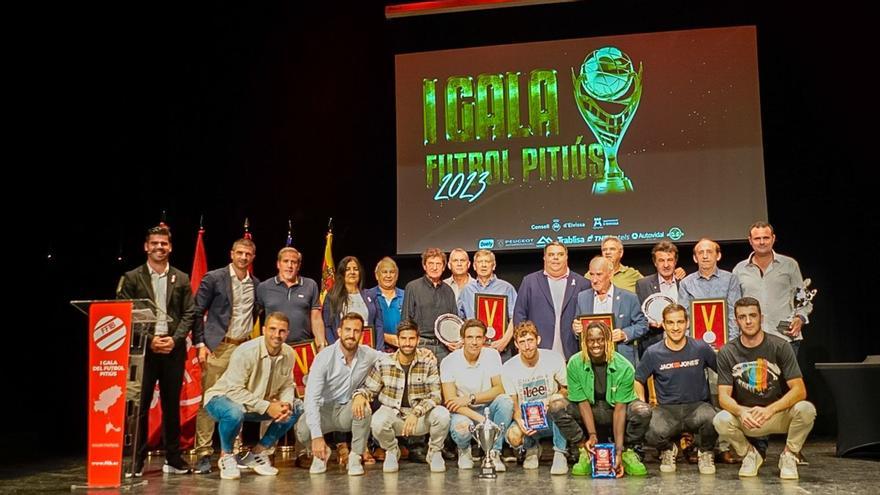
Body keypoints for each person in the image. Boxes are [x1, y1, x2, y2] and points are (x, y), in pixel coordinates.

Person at [116, 225, 196, 476]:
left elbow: (189, 313)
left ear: (170, 247)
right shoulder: (132, 277)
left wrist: (175, 339)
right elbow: (125, 313)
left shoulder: (181, 278)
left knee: (172, 405)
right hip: (144, 351)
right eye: (155, 243)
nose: (159, 247)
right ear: (146, 246)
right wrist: (149, 339)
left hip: (173, 349)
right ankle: (136, 461)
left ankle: (173, 458)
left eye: (164, 243)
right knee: (140, 406)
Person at [713, 297, 816, 479]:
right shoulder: (727, 351)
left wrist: (770, 410)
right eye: (742, 317)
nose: (748, 321)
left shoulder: (780, 346)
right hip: (747, 417)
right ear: (736, 321)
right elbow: (723, 397)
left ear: (761, 317)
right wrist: (741, 411)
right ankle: (750, 455)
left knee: (806, 409)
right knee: (721, 419)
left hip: (776, 414)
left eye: (752, 315)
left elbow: (799, 390)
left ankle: (790, 455)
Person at [202, 312, 301, 479]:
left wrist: (286, 405)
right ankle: (226, 456)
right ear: (263, 330)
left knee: (297, 407)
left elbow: (287, 384)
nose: (277, 335)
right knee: (234, 412)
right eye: (272, 329)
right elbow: (234, 390)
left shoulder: (289, 353)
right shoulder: (246, 351)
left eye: (282, 331)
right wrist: (267, 406)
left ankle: (257, 454)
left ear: (288, 333)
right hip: (221, 399)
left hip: (254, 403)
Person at [191, 238, 259, 474]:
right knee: (210, 401)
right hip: (218, 347)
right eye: (239, 253)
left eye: (248, 254)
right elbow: (197, 311)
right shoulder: (214, 278)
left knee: (238, 401)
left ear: (253, 257)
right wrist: (200, 343)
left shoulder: (255, 284)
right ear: (232, 254)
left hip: (243, 349)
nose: (243, 257)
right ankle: (203, 453)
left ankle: (231, 452)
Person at [353, 320, 451, 473]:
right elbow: (369, 389)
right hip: (394, 415)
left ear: (418, 340)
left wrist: (416, 412)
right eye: (404, 339)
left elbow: (436, 396)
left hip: (420, 417)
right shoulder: (384, 362)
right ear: (397, 340)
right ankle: (392, 450)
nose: (407, 343)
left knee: (443, 415)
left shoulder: (428, 362)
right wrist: (360, 395)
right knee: (377, 421)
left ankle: (434, 452)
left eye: (411, 339)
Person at [293, 313, 383, 476]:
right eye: (347, 330)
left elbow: (390, 359)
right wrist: (317, 437)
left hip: (346, 411)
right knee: (302, 431)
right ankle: (321, 454)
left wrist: (422, 353)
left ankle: (355, 456)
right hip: (323, 410)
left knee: (364, 409)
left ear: (361, 335)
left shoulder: (367, 354)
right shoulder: (324, 358)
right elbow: (311, 399)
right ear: (339, 331)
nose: (351, 335)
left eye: (356, 331)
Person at [634, 304, 717, 474]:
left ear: (687, 323)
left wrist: (725, 399)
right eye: (670, 323)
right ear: (663, 325)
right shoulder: (653, 352)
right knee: (647, 427)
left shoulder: (701, 348)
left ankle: (705, 452)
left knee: (714, 418)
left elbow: (723, 372)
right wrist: (642, 403)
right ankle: (668, 449)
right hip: (667, 410)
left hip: (697, 407)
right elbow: (638, 380)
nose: (676, 327)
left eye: (680, 322)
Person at [565, 321, 651, 477]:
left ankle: (627, 452)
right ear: (585, 342)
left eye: (600, 339)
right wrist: (592, 435)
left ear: (608, 341)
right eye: (591, 340)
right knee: (557, 406)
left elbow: (620, 409)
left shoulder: (624, 366)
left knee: (643, 410)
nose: (596, 344)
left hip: (614, 410)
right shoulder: (574, 363)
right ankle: (585, 450)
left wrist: (618, 450)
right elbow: (582, 403)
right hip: (589, 409)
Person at [440, 319, 513, 471]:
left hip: (486, 406)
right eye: (470, 337)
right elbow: (450, 401)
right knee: (462, 428)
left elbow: (499, 389)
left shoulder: (492, 355)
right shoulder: (449, 361)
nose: (474, 342)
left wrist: (470, 398)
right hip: (463, 411)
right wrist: (481, 420)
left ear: (484, 339)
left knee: (505, 402)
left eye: (479, 338)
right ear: (463, 339)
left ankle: (494, 451)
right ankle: (464, 450)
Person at [733, 222, 812, 356]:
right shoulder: (739, 270)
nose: (762, 242)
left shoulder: (789, 265)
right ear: (750, 241)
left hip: (785, 338)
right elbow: (734, 305)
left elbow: (802, 299)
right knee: (755, 378)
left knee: (789, 378)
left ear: (773, 238)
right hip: (751, 340)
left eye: (766, 238)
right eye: (757, 239)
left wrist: (800, 318)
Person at [503, 322, 571, 475]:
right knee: (513, 436)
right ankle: (531, 448)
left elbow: (566, 388)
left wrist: (555, 398)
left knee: (558, 403)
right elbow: (513, 402)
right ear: (516, 344)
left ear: (538, 340)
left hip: (550, 415)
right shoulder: (508, 367)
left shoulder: (553, 358)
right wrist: (520, 421)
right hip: (527, 417)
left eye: (530, 340)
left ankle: (560, 453)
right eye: (522, 342)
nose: (527, 346)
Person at [514, 241, 591, 359]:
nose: (555, 258)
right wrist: (523, 345)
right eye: (551, 255)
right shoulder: (530, 282)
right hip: (538, 352)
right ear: (544, 258)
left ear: (566, 257)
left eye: (560, 254)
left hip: (572, 352)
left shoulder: (583, 283)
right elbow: (519, 315)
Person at [572, 256, 648, 366]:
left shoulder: (629, 298)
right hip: (591, 360)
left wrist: (624, 334)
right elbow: (578, 327)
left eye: (599, 274)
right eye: (591, 274)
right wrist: (576, 329)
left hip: (620, 359)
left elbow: (643, 325)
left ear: (610, 274)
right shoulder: (582, 297)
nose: (594, 279)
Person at [256, 247, 327, 348]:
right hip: (272, 347)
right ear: (278, 264)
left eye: (293, 262)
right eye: (286, 261)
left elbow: (316, 318)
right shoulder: (264, 287)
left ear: (298, 266)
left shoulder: (310, 285)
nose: (290, 266)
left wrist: (321, 344)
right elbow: (255, 319)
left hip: (302, 347)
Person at [678, 238, 742, 341]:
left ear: (718, 256)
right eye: (700, 253)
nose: (705, 256)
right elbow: (684, 318)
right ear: (695, 258)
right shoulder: (685, 283)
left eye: (709, 252)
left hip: (726, 343)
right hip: (696, 344)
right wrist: (690, 345)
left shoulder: (730, 279)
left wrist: (731, 345)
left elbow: (733, 314)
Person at [458, 249, 518, 357]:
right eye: (480, 262)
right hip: (473, 350)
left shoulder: (506, 288)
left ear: (493, 266)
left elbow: (515, 318)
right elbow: (459, 319)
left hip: (501, 349)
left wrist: (504, 342)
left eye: (487, 262)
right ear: (475, 266)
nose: (484, 265)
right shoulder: (466, 290)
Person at [402, 247, 458, 360]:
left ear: (443, 267)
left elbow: (454, 320)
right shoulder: (412, 287)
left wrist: (453, 342)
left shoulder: (448, 290)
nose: (434, 267)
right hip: (421, 346)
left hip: (444, 348)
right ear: (424, 266)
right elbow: (406, 320)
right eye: (431, 263)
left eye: (438, 264)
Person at [635, 241, 686, 357]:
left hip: (683, 342)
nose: (666, 265)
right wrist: (649, 323)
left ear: (675, 261)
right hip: (654, 342)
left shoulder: (685, 283)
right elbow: (638, 316)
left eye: (670, 260)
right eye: (661, 260)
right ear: (655, 262)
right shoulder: (643, 284)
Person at [322, 256, 384, 350]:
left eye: (356, 269)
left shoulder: (371, 295)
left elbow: (379, 325)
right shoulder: (332, 297)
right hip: (343, 351)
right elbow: (328, 326)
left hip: (368, 350)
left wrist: (379, 350)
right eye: (348, 269)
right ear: (342, 273)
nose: (352, 272)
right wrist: (335, 350)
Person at [365, 257, 405, 350]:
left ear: (397, 275)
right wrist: (385, 337)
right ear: (376, 275)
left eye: (392, 272)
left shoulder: (406, 296)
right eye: (384, 272)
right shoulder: (368, 296)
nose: (388, 276)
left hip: (402, 349)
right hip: (375, 348)